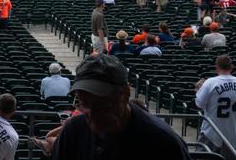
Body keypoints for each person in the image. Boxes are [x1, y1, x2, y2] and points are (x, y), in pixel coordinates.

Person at [50, 54, 190, 159]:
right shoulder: (72, 132)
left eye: (102, 103)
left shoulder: (163, 142)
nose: (91, 112)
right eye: (83, 102)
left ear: (125, 94)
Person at [195, 55, 236, 155]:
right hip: (233, 135)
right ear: (231, 68)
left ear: (217, 68)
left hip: (211, 134)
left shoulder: (210, 82)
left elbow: (199, 104)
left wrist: (199, 91)